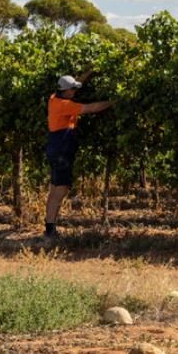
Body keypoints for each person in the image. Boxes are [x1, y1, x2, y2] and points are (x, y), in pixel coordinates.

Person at [44, 72, 111, 237]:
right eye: (72, 89)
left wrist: (87, 72)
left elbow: (72, 85)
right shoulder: (65, 105)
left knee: (55, 189)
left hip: (56, 148)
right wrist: (114, 102)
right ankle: (49, 230)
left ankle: (50, 226)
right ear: (67, 91)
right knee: (60, 189)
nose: (74, 91)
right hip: (61, 150)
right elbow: (92, 108)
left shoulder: (54, 98)